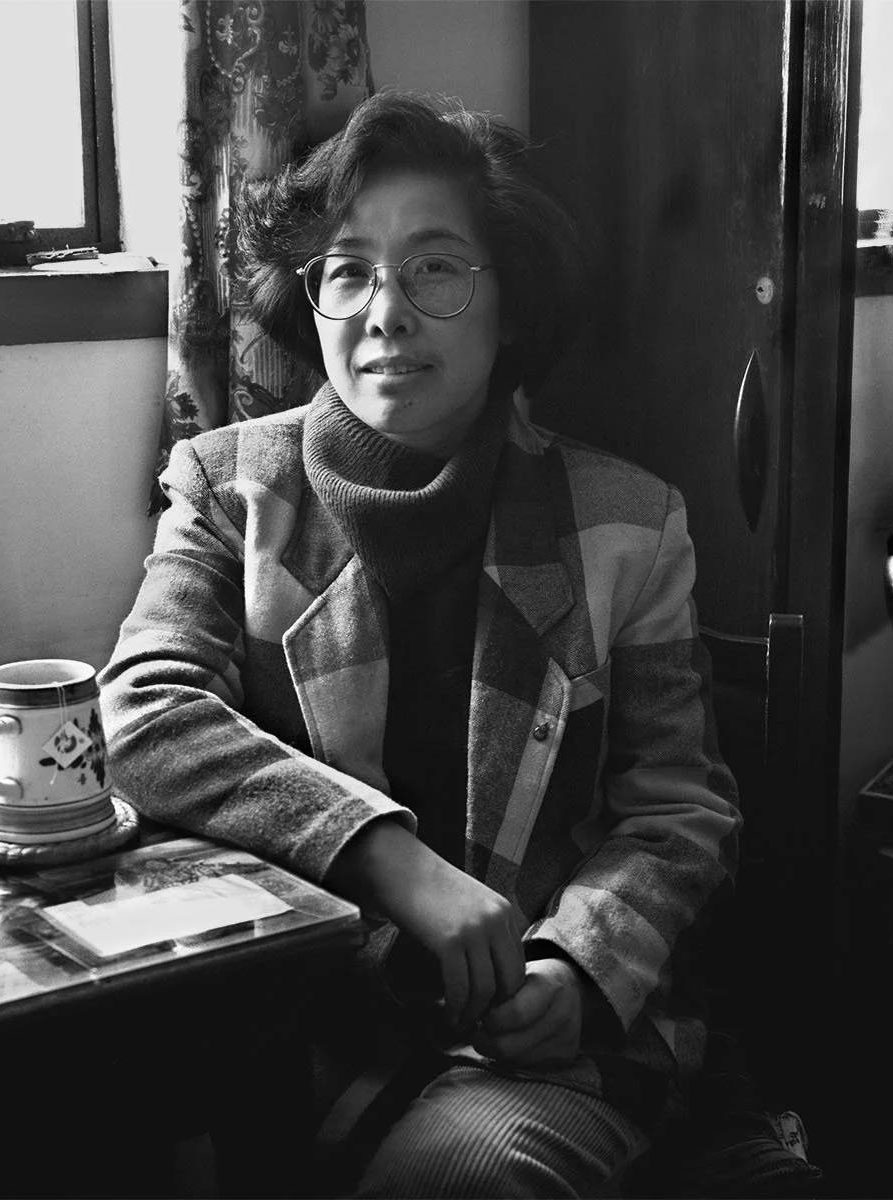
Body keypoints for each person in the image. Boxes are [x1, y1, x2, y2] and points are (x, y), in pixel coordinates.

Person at [99, 92, 741, 1197]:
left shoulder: (631, 524)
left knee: (467, 1176)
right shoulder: (227, 485)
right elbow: (149, 715)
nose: (384, 312)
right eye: (348, 271)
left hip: (530, 1038)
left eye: (436, 268)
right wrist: (393, 864)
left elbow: (677, 804)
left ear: (511, 303)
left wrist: (579, 968)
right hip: (295, 1013)